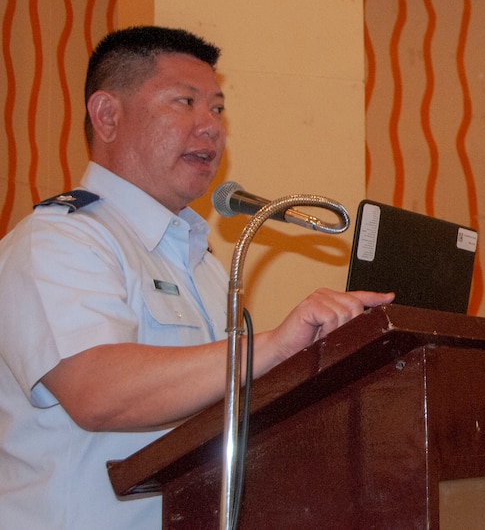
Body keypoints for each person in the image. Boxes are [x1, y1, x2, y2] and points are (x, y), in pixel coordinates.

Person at [0, 26, 393, 528]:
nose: (209, 127)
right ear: (107, 116)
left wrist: (328, 361)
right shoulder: (59, 241)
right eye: (184, 102)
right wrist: (270, 346)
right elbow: (96, 391)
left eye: (217, 109)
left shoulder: (201, 262)